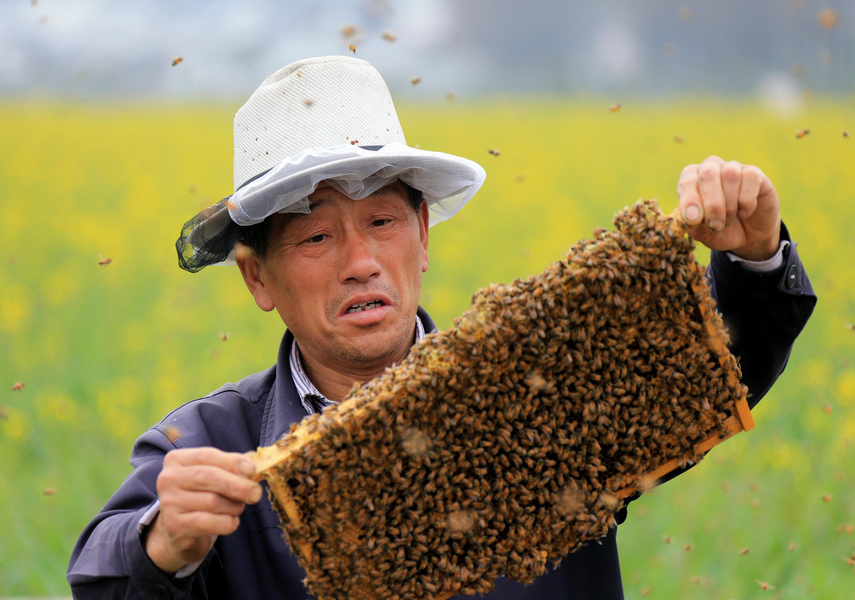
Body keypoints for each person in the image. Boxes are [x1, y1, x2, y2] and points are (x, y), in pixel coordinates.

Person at [66, 55, 816, 599]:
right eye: (317, 237)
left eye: (383, 222)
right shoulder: (211, 445)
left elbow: (707, 374)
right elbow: (103, 576)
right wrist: (162, 545)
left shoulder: (540, 388)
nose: (361, 263)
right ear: (257, 277)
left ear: (423, 235)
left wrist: (753, 260)